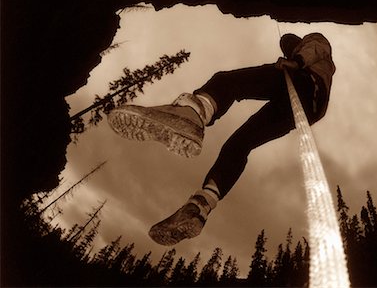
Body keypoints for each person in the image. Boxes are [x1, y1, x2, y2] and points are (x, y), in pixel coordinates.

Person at [108, 33, 336, 246]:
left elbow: (317, 47)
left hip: (305, 82)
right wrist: (294, 62)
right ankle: (202, 204)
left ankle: (190, 114)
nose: (286, 48)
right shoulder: (297, 61)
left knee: (227, 82)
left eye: (287, 45)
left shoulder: (308, 45)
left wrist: (296, 61)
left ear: (294, 43)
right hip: (301, 109)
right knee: (238, 145)